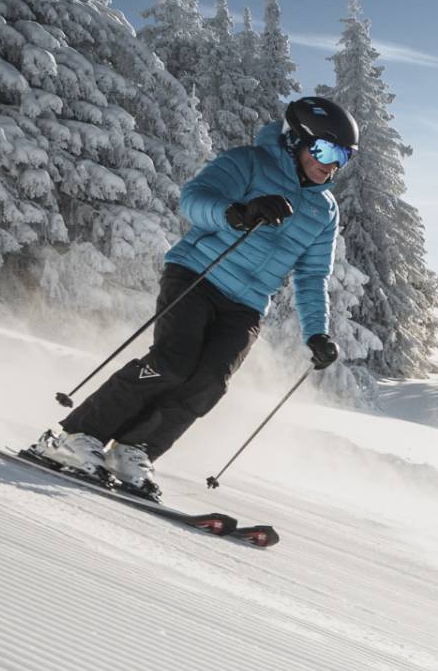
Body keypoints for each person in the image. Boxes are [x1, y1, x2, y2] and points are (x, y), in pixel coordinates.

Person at [28, 96, 359, 501]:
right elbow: (194, 198)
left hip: (248, 304)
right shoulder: (249, 162)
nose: (332, 164)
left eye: (343, 157)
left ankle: (133, 451)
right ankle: (77, 435)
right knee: (171, 363)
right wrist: (237, 213)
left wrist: (317, 335)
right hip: (198, 274)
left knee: (208, 383)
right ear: (296, 140)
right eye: (325, 150)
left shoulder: (324, 210)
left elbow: (311, 276)